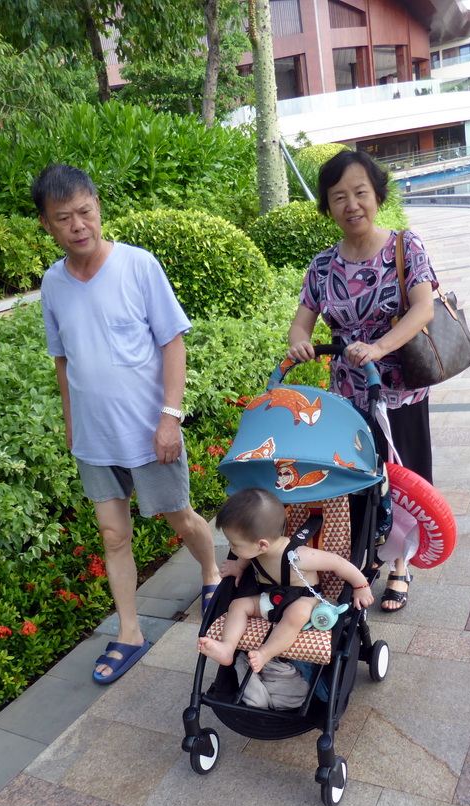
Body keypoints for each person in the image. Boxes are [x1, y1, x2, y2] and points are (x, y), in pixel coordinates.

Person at [32, 163, 220, 684]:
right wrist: (72, 427)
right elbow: (63, 360)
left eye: (85, 212)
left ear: (98, 207)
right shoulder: (53, 283)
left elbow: (172, 342)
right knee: (114, 536)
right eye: (63, 218)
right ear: (47, 225)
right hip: (95, 439)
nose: (77, 226)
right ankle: (130, 631)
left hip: (147, 430)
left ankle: (210, 572)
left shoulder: (139, 266)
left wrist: (170, 419)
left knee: (180, 518)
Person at [287, 149, 437, 612]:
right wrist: (298, 344)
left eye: (360, 193)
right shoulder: (322, 265)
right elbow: (302, 323)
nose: (352, 204)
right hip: (348, 395)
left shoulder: (403, 247)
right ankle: (363, 559)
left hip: (400, 389)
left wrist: (379, 347)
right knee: (357, 480)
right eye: (339, 197)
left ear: (377, 196)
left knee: (404, 477)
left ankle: (400, 566)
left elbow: (424, 308)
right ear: (327, 206)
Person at [197, 488, 373, 674]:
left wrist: (361, 586)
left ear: (262, 544)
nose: (230, 547)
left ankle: (265, 653)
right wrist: (237, 567)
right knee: (238, 605)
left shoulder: (298, 556)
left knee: (296, 614)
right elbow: (246, 558)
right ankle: (227, 648)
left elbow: (338, 563)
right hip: (270, 598)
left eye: (234, 544)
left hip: (304, 600)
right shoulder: (254, 551)